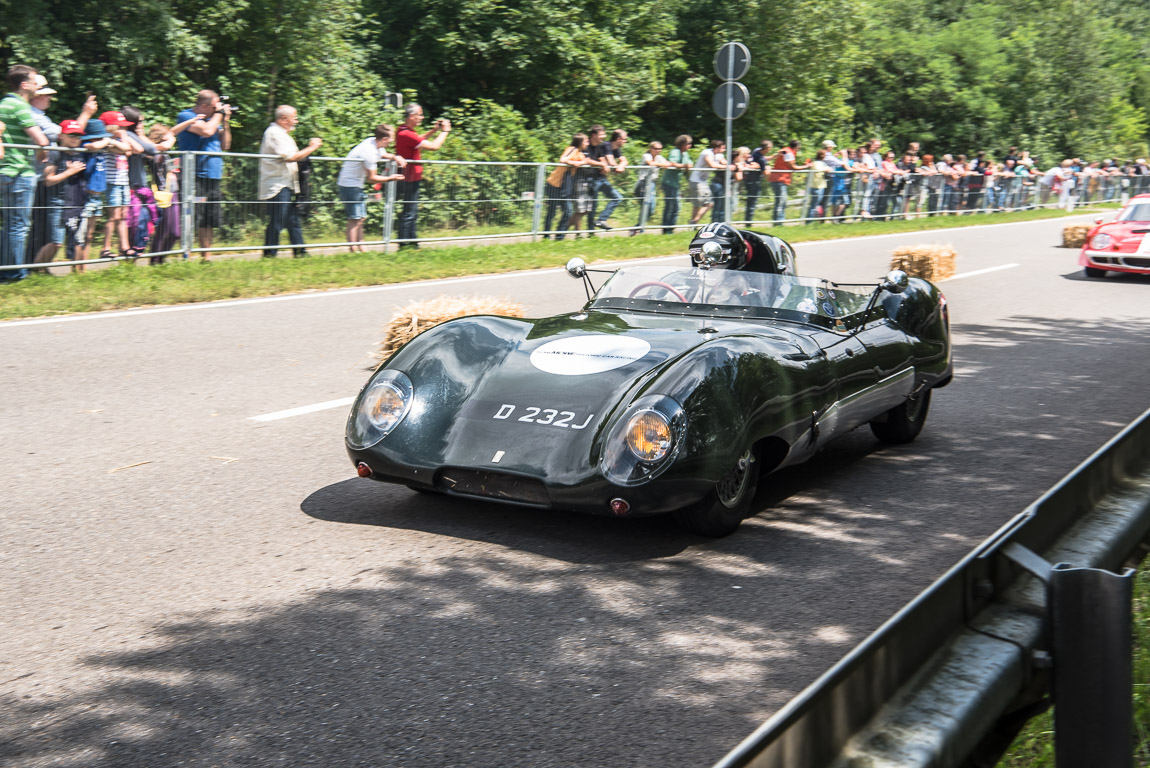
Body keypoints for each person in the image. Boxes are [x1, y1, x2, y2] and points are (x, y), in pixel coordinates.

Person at [0, 65, 50, 282]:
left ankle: (7, 270)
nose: (38, 85)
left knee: (10, 224)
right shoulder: (19, 106)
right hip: (19, 171)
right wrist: (41, 154)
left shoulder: (5, 103)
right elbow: (42, 140)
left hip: (6, 171)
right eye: (34, 80)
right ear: (25, 85)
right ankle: (14, 273)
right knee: (18, 225)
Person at [258, 105, 322, 258]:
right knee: (277, 221)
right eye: (295, 118)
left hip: (285, 183)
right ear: (284, 119)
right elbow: (290, 157)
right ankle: (269, 254)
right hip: (277, 185)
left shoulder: (282, 134)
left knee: (292, 220)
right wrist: (312, 147)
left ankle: (300, 252)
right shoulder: (274, 133)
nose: (297, 121)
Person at [175, 90, 231, 261]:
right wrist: (220, 115)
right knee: (193, 214)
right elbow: (206, 132)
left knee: (209, 217)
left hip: (213, 174)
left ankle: (206, 257)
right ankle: (187, 255)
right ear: (204, 105)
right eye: (214, 106)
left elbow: (226, 144)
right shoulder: (186, 116)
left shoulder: (214, 120)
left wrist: (226, 122)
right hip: (195, 173)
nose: (217, 109)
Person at [337, 124, 406, 251]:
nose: (393, 141)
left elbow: (383, 154)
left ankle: (362, 247)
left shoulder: (372, 142)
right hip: (350, 185)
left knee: (360, 218)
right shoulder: (369, 152)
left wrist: (395, 157)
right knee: (355, 218)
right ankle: (353, 249)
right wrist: (391, 178)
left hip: (354, 183)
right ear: (385, 139)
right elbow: (372, 178)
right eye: (391, 138)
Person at [394, 102, 451, 249]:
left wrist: (433, 130)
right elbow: (433, 146)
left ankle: (412, 243)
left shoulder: (403, 130)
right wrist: (444, 132)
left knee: (411, 211)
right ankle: (404, 244)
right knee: (409, 212)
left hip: (409, 177)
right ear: (412, 116)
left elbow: (418, 140)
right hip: (409, 177)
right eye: (420, 115)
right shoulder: (406, 133)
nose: (422, 117)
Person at [38, 119, 87, 268]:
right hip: (58, 202)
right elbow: (48, 180)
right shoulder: (55, 153)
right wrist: (69, 172)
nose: (75, 138)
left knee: (78, 239)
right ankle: (35, 270)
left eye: (78, 135)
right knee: (56, 242)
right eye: (71, 135)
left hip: (76, 202)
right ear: (61, 136)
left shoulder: (80, 153)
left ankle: (78, 272)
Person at [542, 133, 589, 240]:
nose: (588, 143)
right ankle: (546, 235)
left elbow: (584, 161)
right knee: (552, 212)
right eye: (586, 141)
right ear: (580, 142)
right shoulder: (572, 149)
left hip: (565, 188)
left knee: (568, 211)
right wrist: (573, 163)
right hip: (554, 185)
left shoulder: (581, 154)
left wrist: (579, 163)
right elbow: (563, 159)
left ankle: (559, 236)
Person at [591, 129, 628, 231]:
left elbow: (624, 160)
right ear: (619, 139)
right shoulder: (606, 145)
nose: (625, 142)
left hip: (602, 179)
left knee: (617, 197)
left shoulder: (616, 148)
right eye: (625, 139)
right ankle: (589, 231)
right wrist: (617, 166)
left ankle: (601, 220)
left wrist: (621, 166)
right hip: (593, 178)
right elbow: (611, 162)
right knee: (593, 205)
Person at [632, 140, 671, 234]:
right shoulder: (647, 155)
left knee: (651, 208)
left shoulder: (659, 157)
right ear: (651, 149)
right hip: (643, 183)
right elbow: (651, 163)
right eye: (656, 148)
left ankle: (637, 226)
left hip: (652, 184)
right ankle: (641, 229)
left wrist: (665, 164)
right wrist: (662, 165)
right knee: (646, 206)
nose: (658, 151)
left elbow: (668, 163)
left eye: (660, 149)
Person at [768, 139, 808, 222]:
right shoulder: (788, 153)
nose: (798, 150)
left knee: (781, 200)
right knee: (781, 201)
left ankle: (779, 221)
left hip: (779, 179)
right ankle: (778, 222)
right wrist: (806, 166)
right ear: (796, 147)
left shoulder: (786, 151)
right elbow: (792, 167)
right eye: (798, 148)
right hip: (780, 179)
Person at [688, 139, 726, 225]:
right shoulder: (707, 153)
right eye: (723, 148)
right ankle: (694, 222)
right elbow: (712, 164)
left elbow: (725, 162)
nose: (724, 150)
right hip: (697, 181)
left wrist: (732, 165)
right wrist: (728, 167)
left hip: (701, 181)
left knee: (699, 204)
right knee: (708, 203)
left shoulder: (719, 155)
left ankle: (693, 223)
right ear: (717, 148)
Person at [660, 135, 692, 234]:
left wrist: (686, 165)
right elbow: (672, 163)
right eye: (688, 144)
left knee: (676, 207)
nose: (690, 146)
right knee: (670, 206)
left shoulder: (685, 154)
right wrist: (684, 166)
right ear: (682, 144)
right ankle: (666, 228)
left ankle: (671, 228)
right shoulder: (675, 152)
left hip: (676, 184)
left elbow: (690, 164)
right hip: (669, 183)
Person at [744, 139, 772, 222]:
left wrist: (773, 157)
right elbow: (766, 173)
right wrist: (769, 168)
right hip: (755, 181)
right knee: (752, 202)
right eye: (770, 148)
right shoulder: (761, 159)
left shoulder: (756, 151)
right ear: (768, 148)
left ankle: (747, 221)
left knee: (750, 201)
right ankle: (748, 222)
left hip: (748, 180)